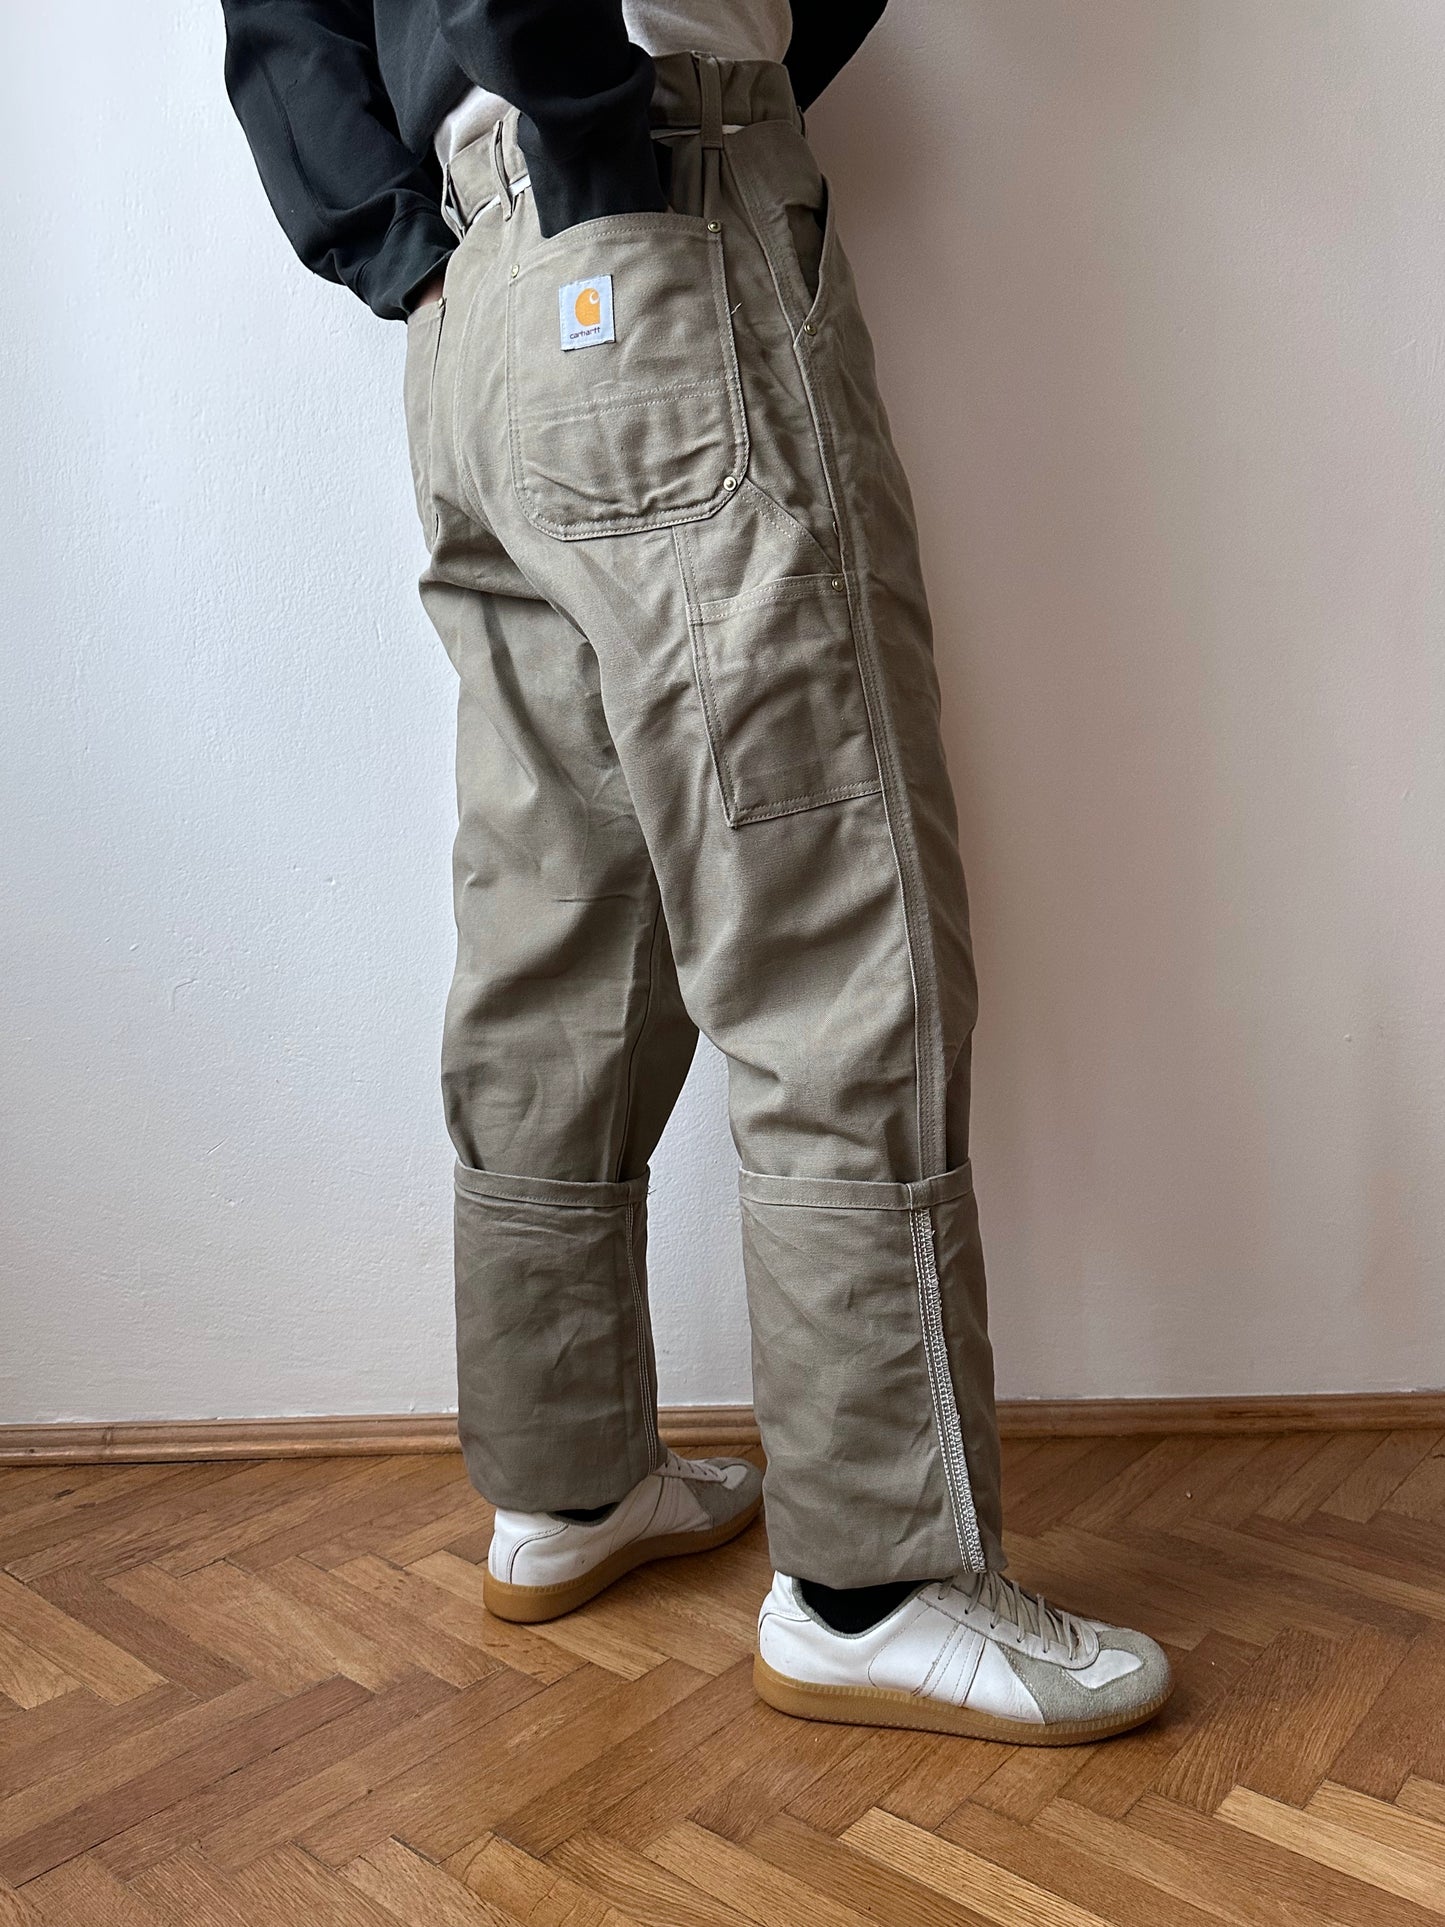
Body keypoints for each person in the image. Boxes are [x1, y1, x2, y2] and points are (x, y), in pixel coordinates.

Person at [219, 0, 1173, 1744]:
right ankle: (878, 1586)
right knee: (828, 912)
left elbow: (281, 20)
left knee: (558, 919)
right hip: (656, 217)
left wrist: (410, 257)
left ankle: (566, 1484)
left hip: (473, 317)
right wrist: (614, 120)